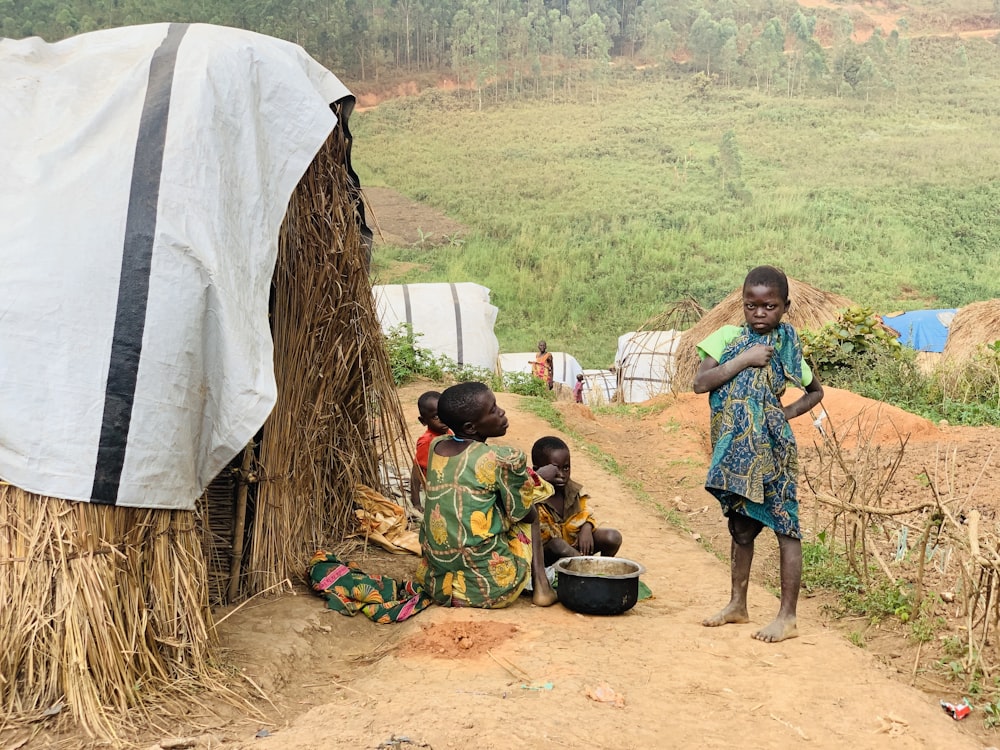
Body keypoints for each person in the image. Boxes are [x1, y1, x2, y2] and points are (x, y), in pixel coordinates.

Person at [693, 265, 823, 643]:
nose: (760, 313)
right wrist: (745, 359)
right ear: (743, 304)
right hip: (734, 453)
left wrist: (783, 414)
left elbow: (815, 392)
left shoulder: (787, 347)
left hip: (773, 450)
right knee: (741, 527)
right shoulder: (726, 339)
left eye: (770, 306)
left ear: (785, 306)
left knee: (786, 526)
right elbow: (700, 383)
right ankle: (738, 604)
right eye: (752, 306)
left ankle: (788, 617)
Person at [415, 381, 558, 608]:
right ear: (471, 427)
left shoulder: (437, 446)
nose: (501, 412)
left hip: (438, 584)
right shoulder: (503, 458)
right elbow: (521, 511)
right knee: (531, 510)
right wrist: (539, 478)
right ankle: (541, 586)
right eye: (492, 410)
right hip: (490, 589)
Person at [530, 436, 622, 566]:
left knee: (612, 537)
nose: (561, 474)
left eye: (566, 468)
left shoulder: (572, 491)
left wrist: (586, 527)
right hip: (545, 556)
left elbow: (585, 513)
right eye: (555, 469)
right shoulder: (532, 495)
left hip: (574, 547)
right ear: (538, 470)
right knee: (558, 544)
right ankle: (586, 569)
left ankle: (604, 570)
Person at [409, 390, 449, 512]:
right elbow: (417, 472)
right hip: (437, 490)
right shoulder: (427, 442)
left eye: (445, 413)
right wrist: (416, 502)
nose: (443, 419)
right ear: (423, 421)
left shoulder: (448, 432)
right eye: (436, 417)